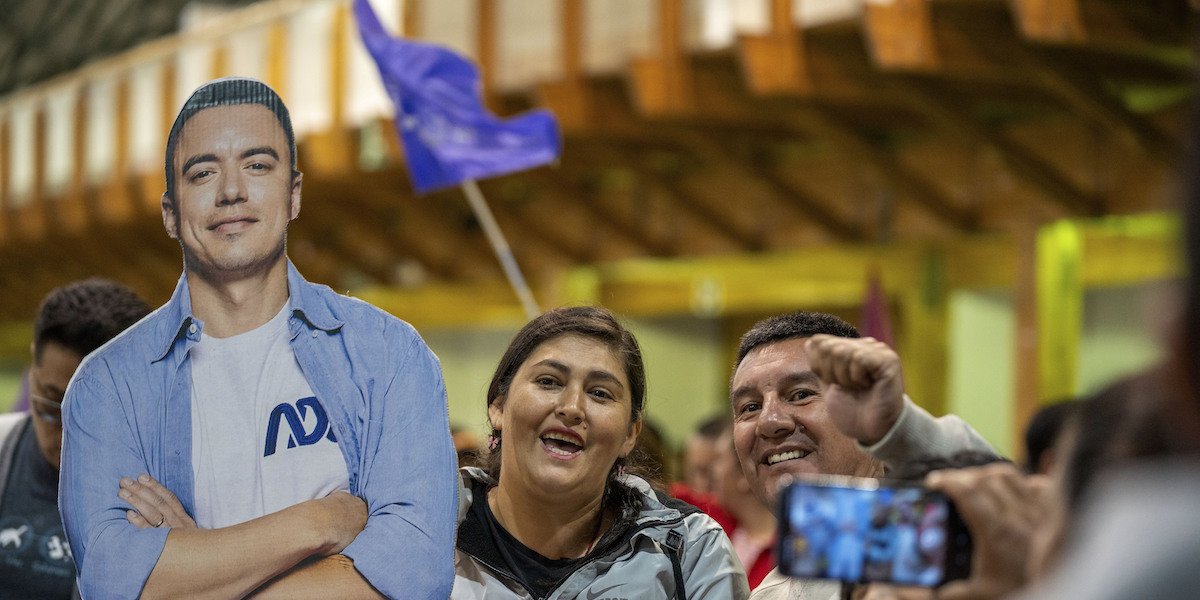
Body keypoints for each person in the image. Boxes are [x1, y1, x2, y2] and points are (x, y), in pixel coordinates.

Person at [57, 78, 457, 599]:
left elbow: (416, 575)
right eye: (203, 172)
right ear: (171, 213)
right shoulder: (107, 386)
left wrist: (200, 566)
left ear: (293, 195)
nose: (231, 192)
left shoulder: (391, 356)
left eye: (257, 165)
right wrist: (321, 521)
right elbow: (113, 582)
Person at [452, 306, 750, 599]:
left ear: (630, 434)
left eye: (600, 393)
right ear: (499, 407)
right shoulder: (432, 523)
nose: (571, 408)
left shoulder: (689, 551)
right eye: (548, 381)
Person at [729, 311, 993, 600]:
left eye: (800, 394)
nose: (769, 421)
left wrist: (899, 425)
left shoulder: (948, 558)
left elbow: (1009, 506)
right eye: (750, 407)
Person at [0, 279, 150, 599]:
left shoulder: (165, 494)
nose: (68, 436)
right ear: (33, 371)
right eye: (51, 406)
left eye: (93, 414)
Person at [709, 419, 776, 589]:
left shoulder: (789, 550)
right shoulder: (713, 522)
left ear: (745, 475)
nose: (712, 470)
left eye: (718, 460)